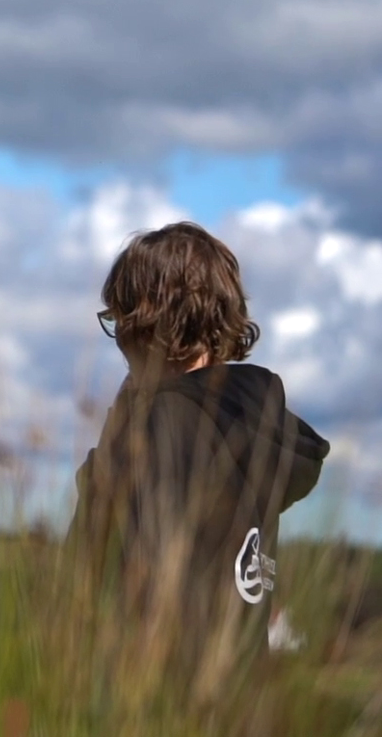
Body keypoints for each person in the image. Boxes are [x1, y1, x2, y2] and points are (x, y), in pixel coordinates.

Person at [68, 221, 329, 694]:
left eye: (119, 318)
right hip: (237, 706)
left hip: (150, 705)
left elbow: (97, 577)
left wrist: (116, 443)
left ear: (141, 320)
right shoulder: (251, 426)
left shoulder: (161, 427)